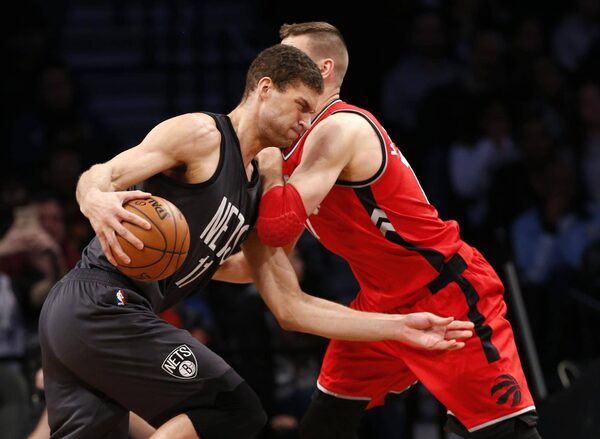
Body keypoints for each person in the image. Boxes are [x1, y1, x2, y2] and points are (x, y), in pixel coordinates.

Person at [39, 44, 473, 439]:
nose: (306, 122)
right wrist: (94, 199)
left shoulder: (256, 195)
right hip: (102, 300)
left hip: (75, 318)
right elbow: (103, 173)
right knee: (233, 408)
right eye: (300, 106)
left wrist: (399, 326)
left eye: (312, 113)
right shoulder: (203, 135)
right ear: (265, 89)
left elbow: (291, 306)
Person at [254, 22, 542, 438]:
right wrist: (200, 262)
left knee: (509, 434)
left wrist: (266, 168)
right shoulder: (301, 149)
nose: (278, 69)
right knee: (323, 426)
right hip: (378, 305)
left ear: (324, 68)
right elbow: (272, 257)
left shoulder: (340, 129)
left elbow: (277, 228)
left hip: (445, 295)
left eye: (290, 59)